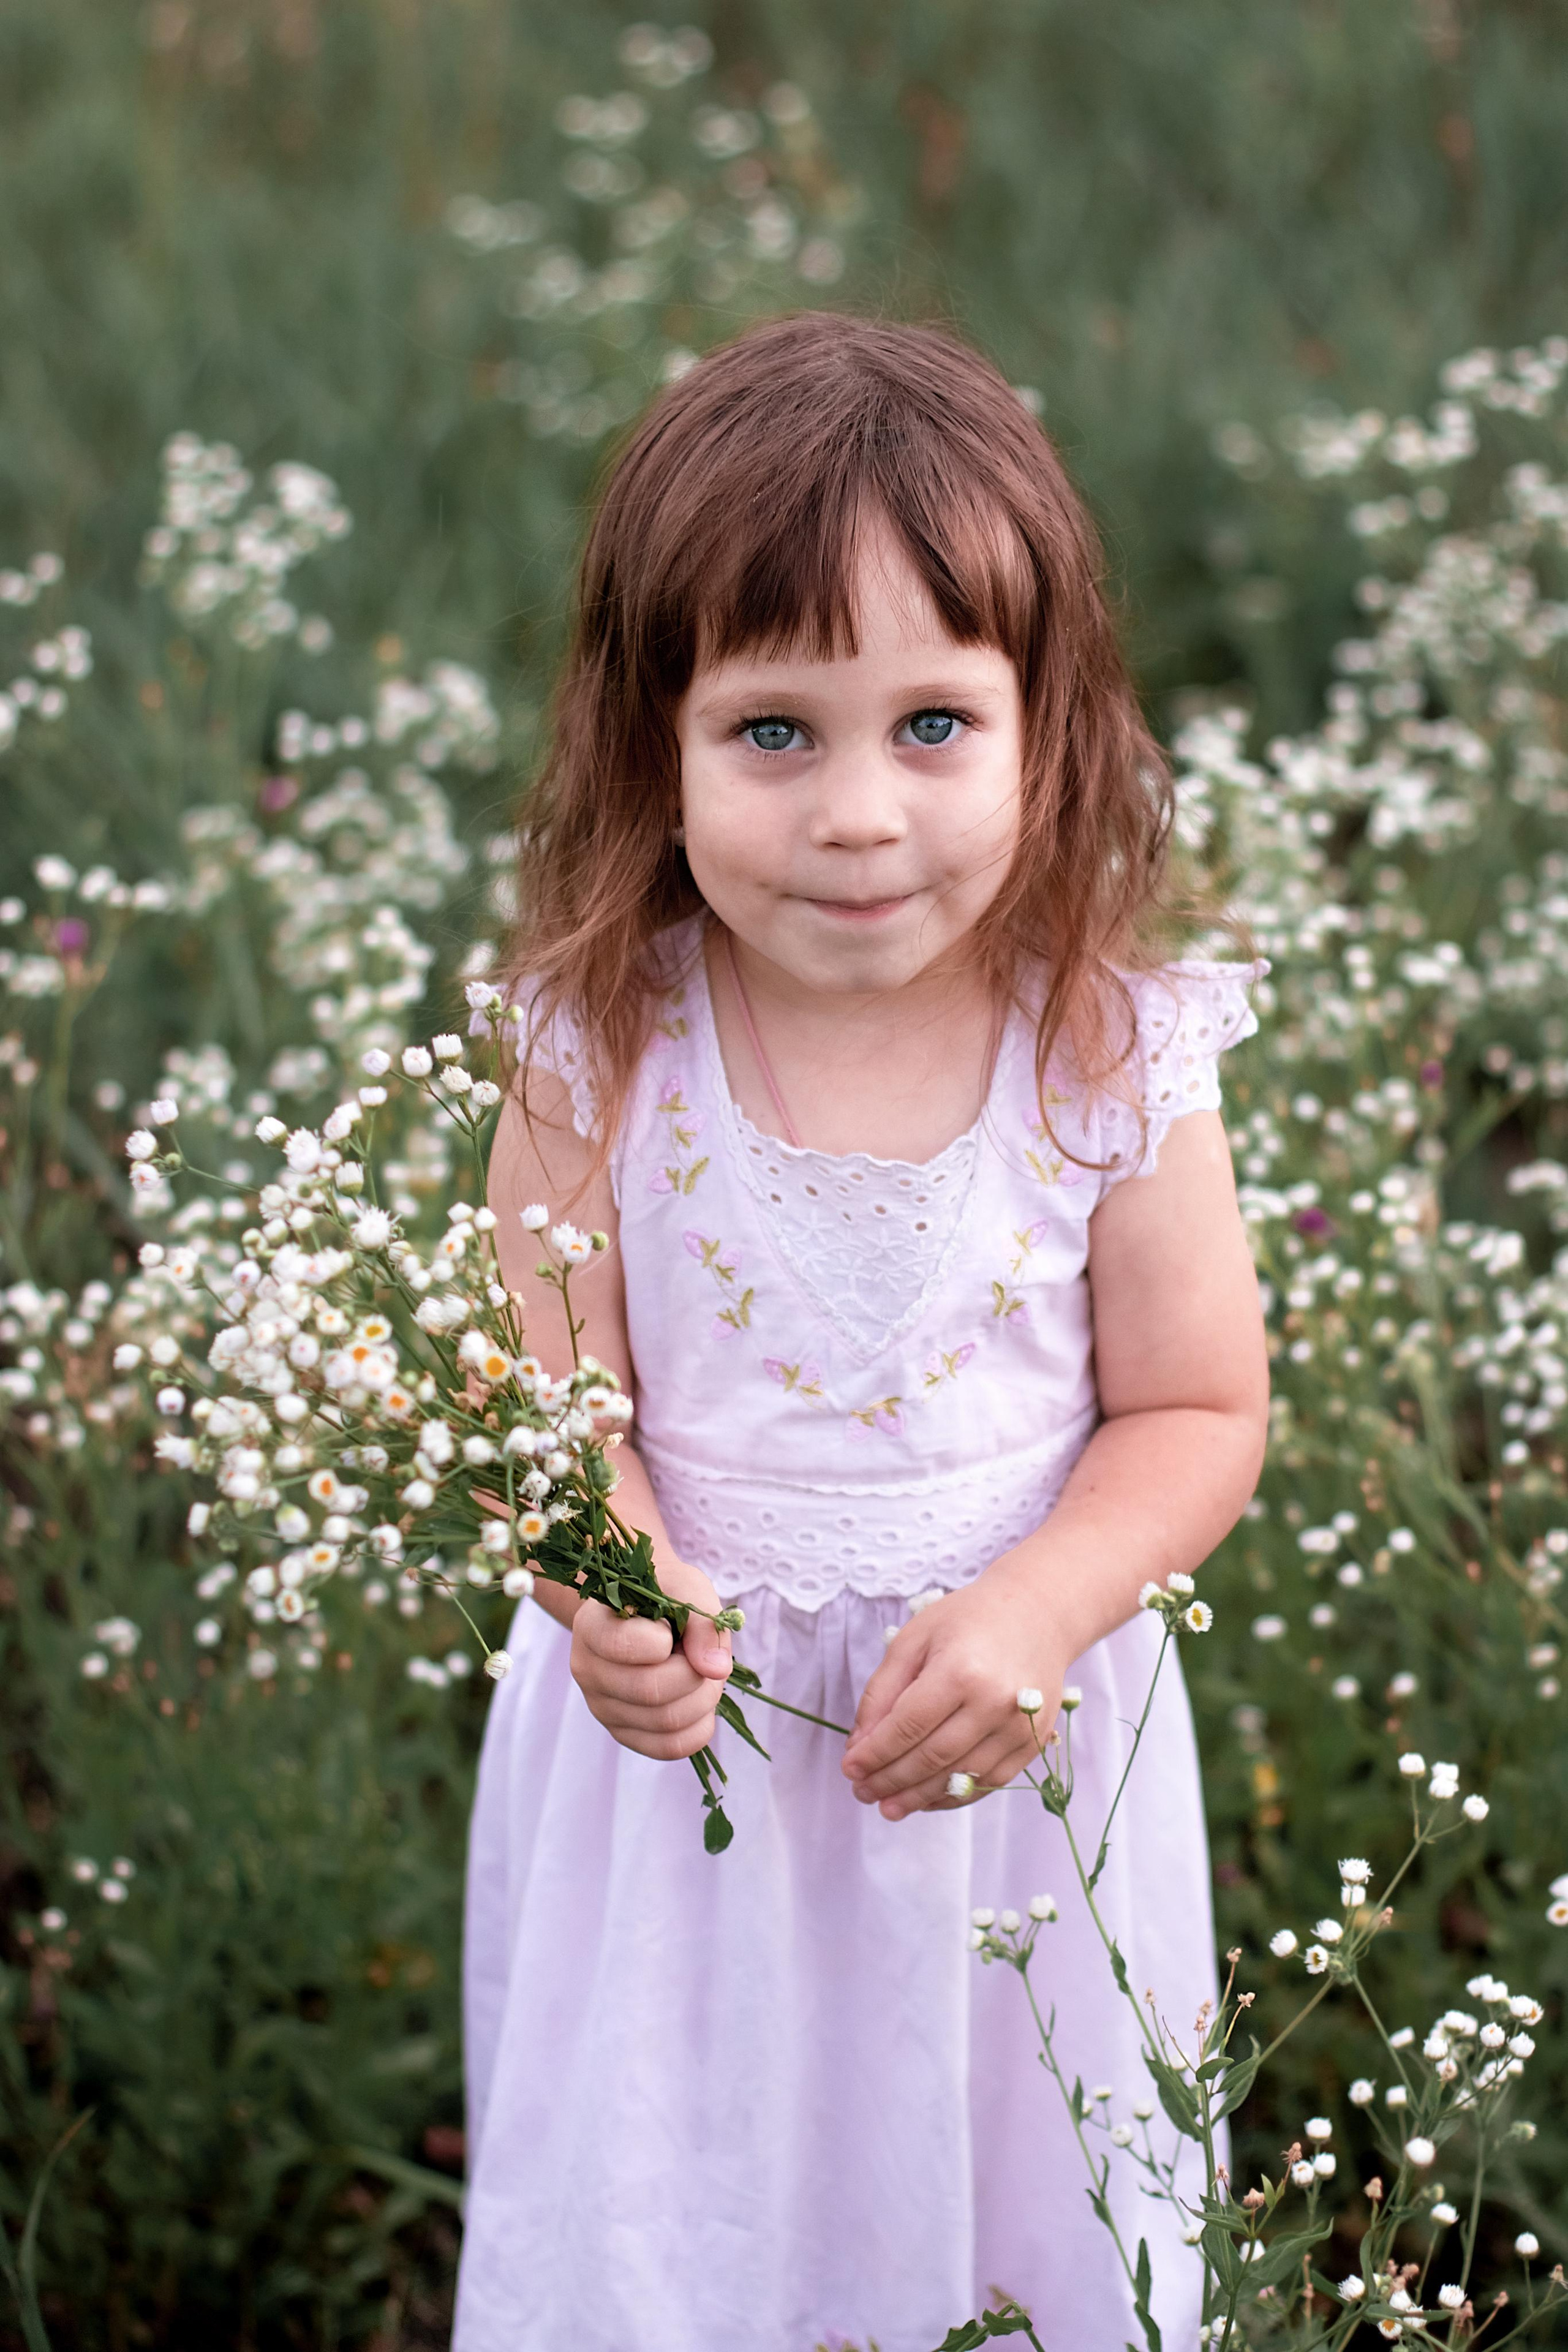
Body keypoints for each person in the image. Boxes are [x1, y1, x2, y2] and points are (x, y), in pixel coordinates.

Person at [455, 311, 1269, 2352]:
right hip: (686, 1793)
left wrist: (1040, 1611)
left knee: (1025, 2231)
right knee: (676, 2231)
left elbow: (1195, 1408)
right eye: (775, 733)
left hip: (1011, 1756)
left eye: (932, 726)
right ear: (656, 736)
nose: (856, 814)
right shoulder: (602, 1044)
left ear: (1045, 726)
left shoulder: (1107, 1052)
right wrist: (601, 1568)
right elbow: (531, 1393)